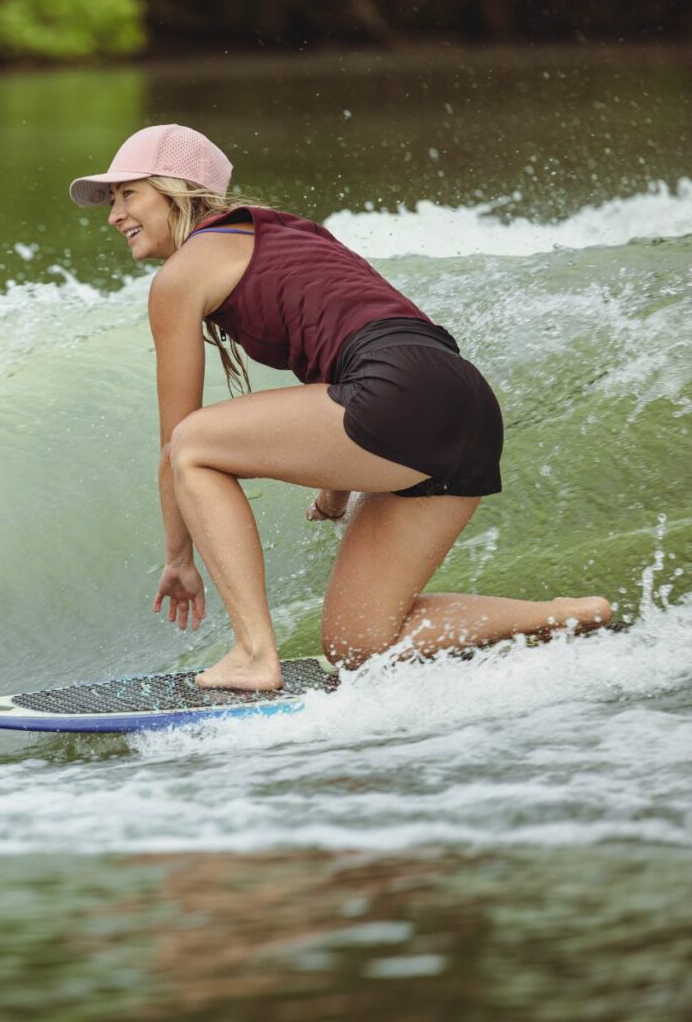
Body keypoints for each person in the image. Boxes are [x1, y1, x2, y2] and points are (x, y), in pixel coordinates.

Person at [69, 124, 611, 691]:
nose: (114, 214)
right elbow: (342, 349)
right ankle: (569, 615)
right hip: (462, 400)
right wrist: (335, 489)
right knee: (359, 644)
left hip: (397, 391)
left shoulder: (182, 274)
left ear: (176, 190)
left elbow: (176, 439)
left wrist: (180, 558)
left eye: (129, 194)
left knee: (195, 444)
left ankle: (255, 652)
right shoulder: (290, 235)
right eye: (113, 199)